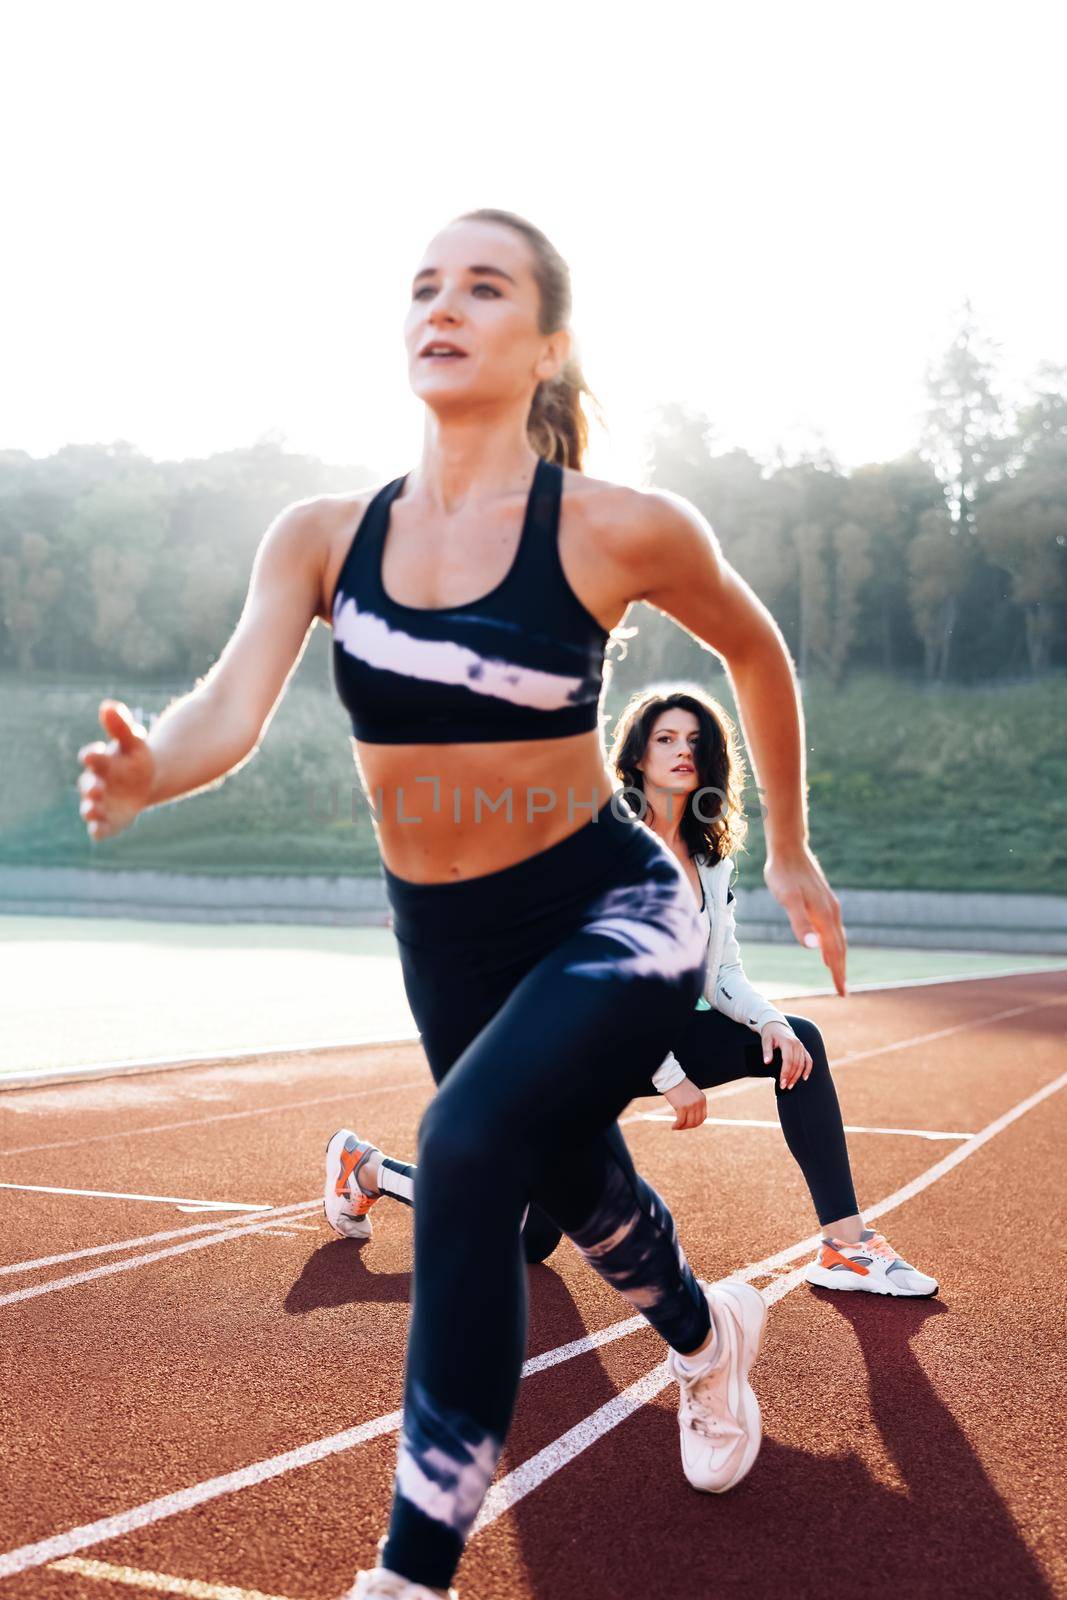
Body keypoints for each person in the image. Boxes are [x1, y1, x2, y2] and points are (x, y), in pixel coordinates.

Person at [76, 208, 847, 1600]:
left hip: (613, 911)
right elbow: (225, 710)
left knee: (467, 1148)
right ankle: (704, 1334)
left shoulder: (617, 527)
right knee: (568, 1178)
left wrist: (786, 849)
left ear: (545, 343)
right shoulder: (322, 535)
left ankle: (407, 1571)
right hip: (444, 944)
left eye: (480, 287)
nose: (440, 305)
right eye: (422, 285)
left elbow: (755, 648)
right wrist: (149, 776)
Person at [326, 686, 937, 1299]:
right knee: (513, 1232)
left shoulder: (709, 859)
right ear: (638, 756)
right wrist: (669, 1075)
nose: (682, 752)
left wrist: (769, 1022)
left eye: (695, 741)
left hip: (652, 1030)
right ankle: (369, 1168)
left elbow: (720, 974)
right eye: (666, 739)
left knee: (799, 1043)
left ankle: (846, 1248)